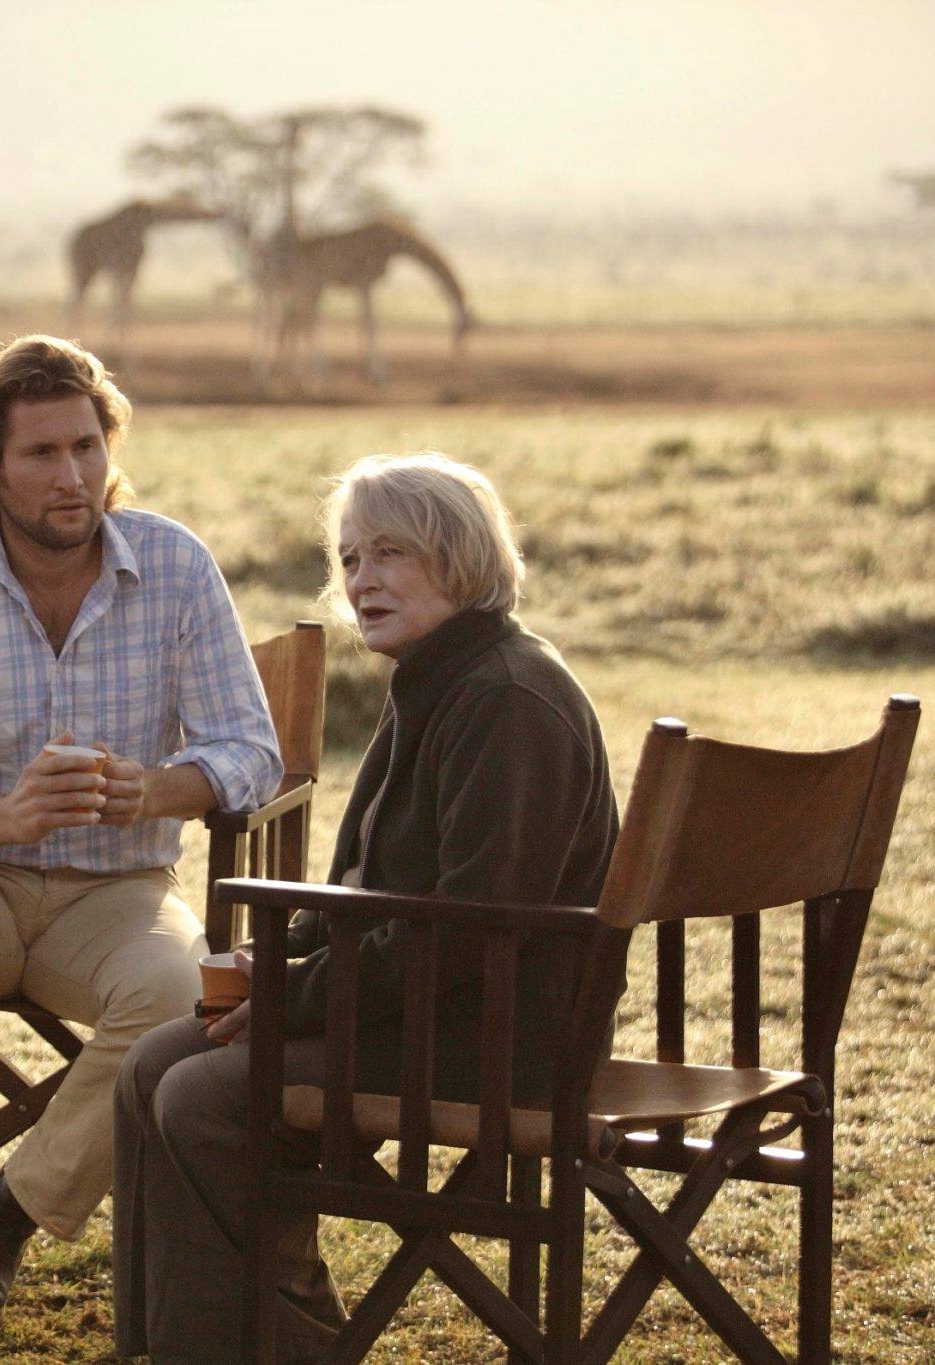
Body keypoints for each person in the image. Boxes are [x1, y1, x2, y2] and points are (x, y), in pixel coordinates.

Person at [112, 452, 620, 1363]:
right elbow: (367, 890)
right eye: (350, 558)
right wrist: (282, 967)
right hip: (425, 1003)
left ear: (461, 558)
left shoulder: (506, 697)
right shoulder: (435, 677)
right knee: (152, 1064)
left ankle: (252, 1348)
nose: (361, 579)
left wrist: (300, 991)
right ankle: (190, 1344)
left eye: (390, 552)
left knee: (205, 1096)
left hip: (494, 1034)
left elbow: (471, 928)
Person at [0, 334, 283, 1332]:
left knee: (178, 991)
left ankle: (0, 1228)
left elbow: (251, 752)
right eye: (41, 454)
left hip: (117, 894)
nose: (71, 475)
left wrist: (152, 792)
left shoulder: (172, 565)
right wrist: (6, 813)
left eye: (85, 446)